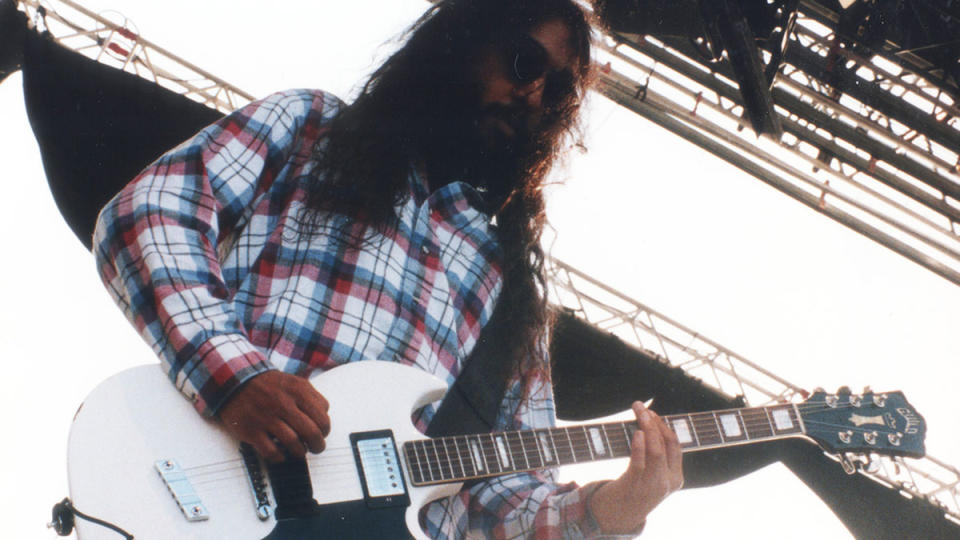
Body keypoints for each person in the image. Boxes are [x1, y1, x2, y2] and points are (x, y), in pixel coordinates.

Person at [92, 0, 682, 537]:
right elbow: (148, 216)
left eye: (556, 94)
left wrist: (615, 509)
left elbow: (505, 499)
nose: (533, 96)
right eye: (526, 62)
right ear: (464, 39)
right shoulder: (310, 128)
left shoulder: (513, 298)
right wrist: (234, 377)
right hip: (199, 497)